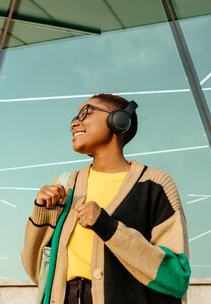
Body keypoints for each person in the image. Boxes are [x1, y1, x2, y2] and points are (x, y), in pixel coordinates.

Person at [21, 93, 190, 304]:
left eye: (85, 113)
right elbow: (36, 272)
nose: (75, 123)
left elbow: (176, 277)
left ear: (119, 120)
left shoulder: (154, 184)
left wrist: (108, 227)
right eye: (74, 117)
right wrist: (42, 212)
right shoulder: (66, 185)